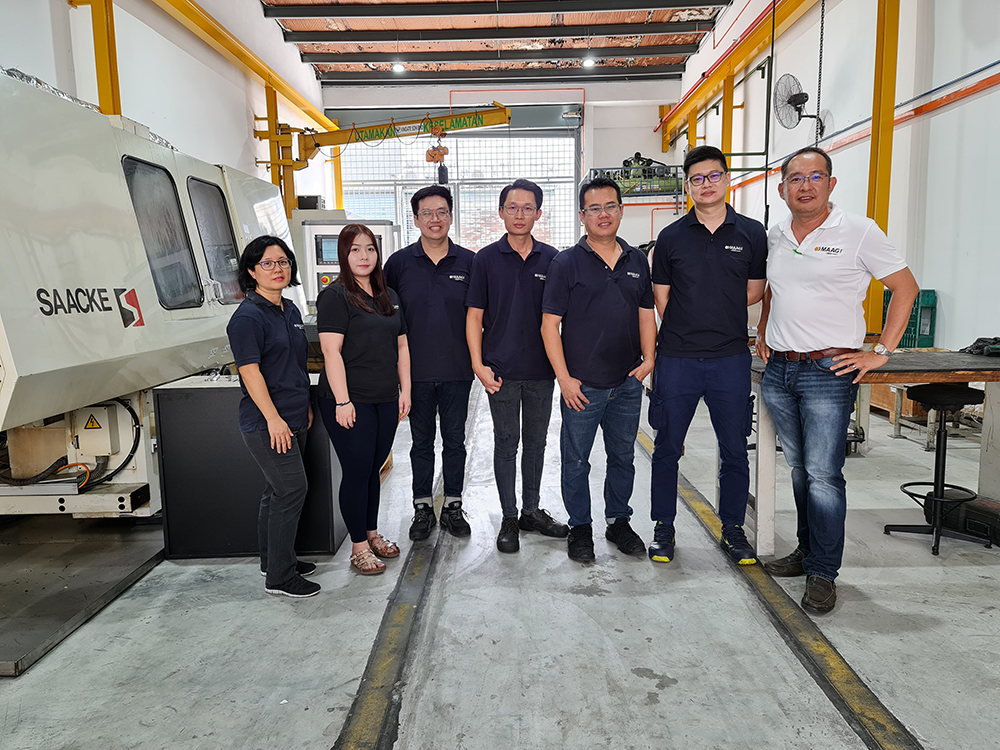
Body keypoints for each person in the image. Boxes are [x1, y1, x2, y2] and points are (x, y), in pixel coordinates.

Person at [756, 146, 919, 613]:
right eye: (795, 178)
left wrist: (881, 351)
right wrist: (764, 330)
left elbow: (905, 287)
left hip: (829, 372)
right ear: (782, 188)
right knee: (800, 470)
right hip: (780, 370)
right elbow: (773, 290)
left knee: (825, 476)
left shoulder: (859, 231)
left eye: (815, 176)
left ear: (831, 184)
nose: (805, 185)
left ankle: (824, 572)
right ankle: (807, 552)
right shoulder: (776, 234)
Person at [648, 145, 768, 566]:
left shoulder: (751, 233)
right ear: (688, 186)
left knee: (734, 448)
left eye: (714, 176)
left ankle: (732, 528)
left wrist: (716, 315)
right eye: (697, 179)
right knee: (667, 447)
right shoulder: (671, 237)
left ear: (727, 179)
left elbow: (755, 291)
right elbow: (661, 299)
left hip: (730, 359)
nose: (706, 184)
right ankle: (663, 527)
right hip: (677, 359)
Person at [541, 176, 657, 562]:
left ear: (621, 211)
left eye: (610, 207)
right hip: (582, 386)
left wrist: (649, 359)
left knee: (623, 456)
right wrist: (564, 379)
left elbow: (646, 314)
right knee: (576, 459)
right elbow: (549, 325)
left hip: (627, 381)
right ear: (582, 216)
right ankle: (580, 527)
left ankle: (618, 521)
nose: (603, 214)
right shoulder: (565, 263)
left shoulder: (636, 260)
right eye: (594, 208)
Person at [467, 179, 569, 553]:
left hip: (541, 372)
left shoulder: (553, 259)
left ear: (539, 213)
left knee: (537, 443)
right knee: (506, 442)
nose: (520, 214)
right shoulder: (485, 260)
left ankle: (530, 511)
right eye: (513, 207)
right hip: (501, 373)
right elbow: (474, 316)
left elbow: (561, 318)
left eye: (528, 208)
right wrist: (478, 365)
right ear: (501, 212)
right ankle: (509, 516)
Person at [227, 235, 319, 598]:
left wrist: (304, 404)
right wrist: (274, 419)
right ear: (252, 271)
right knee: (291, 490)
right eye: (267, 263)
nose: (277, 269)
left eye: (283, 262)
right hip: (267, 422)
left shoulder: (290, 310)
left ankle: (274, 560)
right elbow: (250, 372)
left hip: (294, 414)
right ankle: (280, 578)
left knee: (275, 490)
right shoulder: (247, 318)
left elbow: (295, 365)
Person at [316, 224, 411, 576]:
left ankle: (371, 533)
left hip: (384, 398)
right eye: (355, 249)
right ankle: (358, 547)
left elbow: (402, 345)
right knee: (356, 471)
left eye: (369, 248)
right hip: (349, 400)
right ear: (344, 254)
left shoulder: (388, 295)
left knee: (373, 469)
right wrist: (342, 402)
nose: (363, 256)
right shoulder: (335, 296)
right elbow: (331, 352)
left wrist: (405, 391)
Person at [384, 185, 476, 541]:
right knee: (420, 443)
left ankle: (453, 504)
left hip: (457, 370)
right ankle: (422, 506)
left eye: (441, 212)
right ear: (416, 219)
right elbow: (386, 318)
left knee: (455, 441)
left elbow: (480, 316)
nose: (434, 219)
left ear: (451, 216)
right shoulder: (398, 264)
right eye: (427, 213)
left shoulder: (470, 262)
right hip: (415, 374)